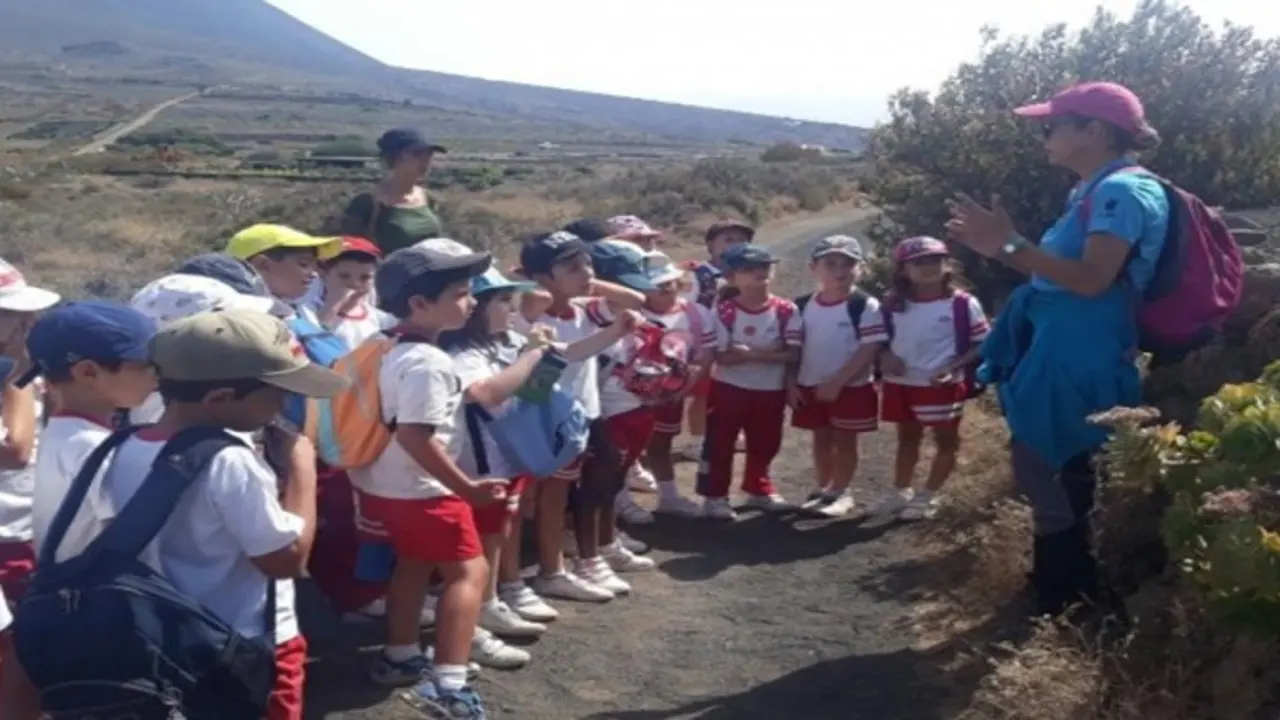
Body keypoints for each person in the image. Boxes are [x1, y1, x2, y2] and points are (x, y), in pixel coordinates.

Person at [946, 81, 1167, 616]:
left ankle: (1067, 596)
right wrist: (1004, 250)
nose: (1043, 136)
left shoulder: (1121, 193)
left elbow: (1091, 280)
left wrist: (1010, 244)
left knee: (1057, 466)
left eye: (1052, 126)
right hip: (1065, 344)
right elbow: (1057, 275)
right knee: (1051, 466)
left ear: (1094, 130)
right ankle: (1059, 589)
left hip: (1083, 352)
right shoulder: (1092, 191)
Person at [60, 309, 347, 720]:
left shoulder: (119, 446)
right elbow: (286, 560)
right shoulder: (230, 460)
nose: (285, 404)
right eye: (276, 393)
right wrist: (303, 468)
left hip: (158, 640)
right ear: (220, 399)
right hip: (237, 646)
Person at [346, 241, 498, 717]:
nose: (471, 302)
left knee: (413, 563)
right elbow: (414, 436)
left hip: (380, 483)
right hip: (423, 491)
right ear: (419, 303)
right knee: (468, 573)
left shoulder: (382, 344)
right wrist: (466, 489)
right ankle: (449, 685)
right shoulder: (428, 363)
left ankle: (401, 654)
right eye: (460, 293)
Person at [514, 231, 646, 603]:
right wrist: (537, 285)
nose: (586, 271)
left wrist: (584, 281)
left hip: (585, 412)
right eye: (572, 266)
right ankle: (548, 570)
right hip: (546, 420)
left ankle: (581, 560)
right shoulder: (531, 316)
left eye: (588, 263)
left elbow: (636, 299)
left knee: (587, 484)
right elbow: (568, 353)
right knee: (545, 495)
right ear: (542, 277)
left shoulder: (585, 307)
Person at [23, 302, 159, 560]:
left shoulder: (66, 432)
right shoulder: (91, 446)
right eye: (147, 364)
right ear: (88, 372)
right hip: (91, 583)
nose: (157, 374)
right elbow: (134, 531)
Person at [874, 237, 989, 521]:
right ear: (903, 270)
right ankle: (901, 491)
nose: (928, 267)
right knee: (907, 438)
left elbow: (983, 342)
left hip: (942, 385)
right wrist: (885, 355)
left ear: (947, 264)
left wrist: (954, 366)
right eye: (918, 262)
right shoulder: (893, 303)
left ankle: (928, 496)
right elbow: (878, 338)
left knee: (946, 441)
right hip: (901, 383)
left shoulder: (962, 303)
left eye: (935, 260)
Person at [699, 244, 799, 519]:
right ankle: (715, 496)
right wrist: (769, 354)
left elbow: (793, 353)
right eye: (748, 269)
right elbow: (723, 356)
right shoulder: (724, 311)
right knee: (721, 443)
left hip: (770, 389)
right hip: (729, 388)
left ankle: (759, 489)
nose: (759, 273)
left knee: (766, 443)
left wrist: (750, 354)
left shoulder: (786, 310)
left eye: (764, 266)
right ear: (731, 277)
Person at [790, 236, 887, 517]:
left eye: (848, 264)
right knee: (821, 438)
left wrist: (837, 382)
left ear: (860, 268)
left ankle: (841, 492)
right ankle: (824, 489)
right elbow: (794, 349)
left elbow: (869, 348)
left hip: (851, 387)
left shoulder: (864, 305)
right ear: (814, 268)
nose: (839, 271)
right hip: (810, 384)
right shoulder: (802, 306)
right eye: (830, 264)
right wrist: (791, 383)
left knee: (845, 440)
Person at [616, 249, 711, 519]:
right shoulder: (630, 315)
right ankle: (621, 500)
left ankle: (669, 498)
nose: (665, 290)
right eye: (656, 286)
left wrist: (687, 382)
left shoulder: (695, 312)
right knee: (625, 449)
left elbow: (704, 354)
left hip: (672, 395)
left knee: (661, 443)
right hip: (630, 397)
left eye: (669, 283)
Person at [0, 260, 60, 607]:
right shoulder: (16, 373)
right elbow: (14, 451)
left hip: (28, 530)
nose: (30, 322)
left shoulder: (22, 371)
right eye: (15, 315)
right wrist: (19, 370)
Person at [336, 128, 447, 254]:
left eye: (429, 154)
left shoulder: (429, 199)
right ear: (393, 158)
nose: (425, 161)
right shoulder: (367, 204)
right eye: (417, 154)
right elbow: (349, 252)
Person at [225, 224, 340, 319]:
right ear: (263, 264)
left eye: (315, 266)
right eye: (304, 264)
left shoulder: (301, 312)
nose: (314, 274)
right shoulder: (237, 315)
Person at [305, 236, 394, 349]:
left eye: (365, 277)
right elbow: (308, 341)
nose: (355, 284)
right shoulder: (307, 311)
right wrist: (332, 305)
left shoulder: (381, 320)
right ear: (324, 274)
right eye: (344, 276)